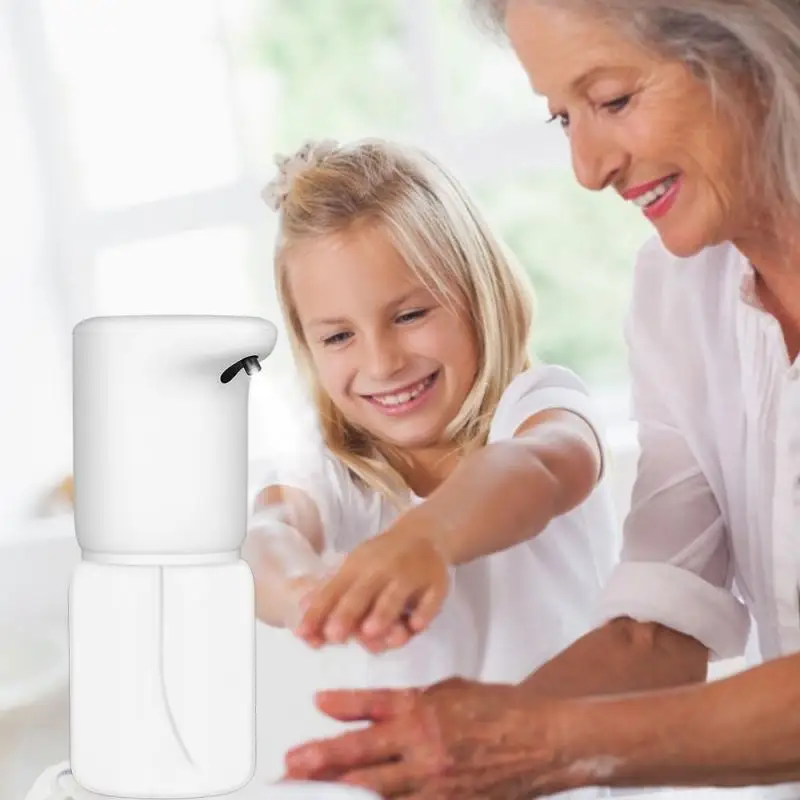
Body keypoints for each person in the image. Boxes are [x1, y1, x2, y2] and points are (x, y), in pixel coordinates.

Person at [282, 2, 800, 798]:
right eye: (562, 117)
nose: (588, 169)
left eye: (613, 99)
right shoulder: (677, 295)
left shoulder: (543, 407)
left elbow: (542, 464)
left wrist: (543, 743)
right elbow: (658, 629)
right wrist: (450, 762)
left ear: (756, 49)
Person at [243, 136, 617, 770]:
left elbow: (542, 468)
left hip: (572, 774)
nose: (382, 362)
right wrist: (308, 593)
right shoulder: (330, 466)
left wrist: (428, 539)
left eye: (410, 314)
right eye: (339, 336)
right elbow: (265, 535)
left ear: (479, 290)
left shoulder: (537, 407)